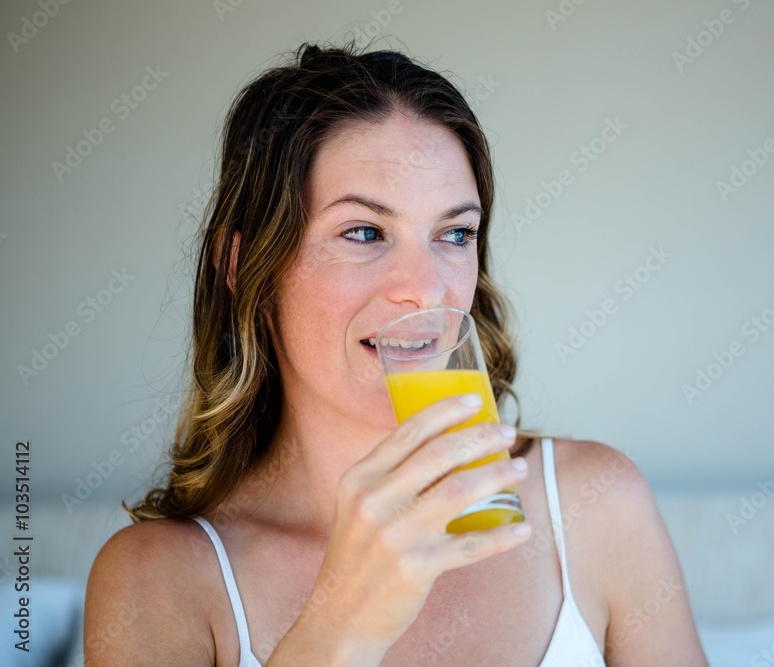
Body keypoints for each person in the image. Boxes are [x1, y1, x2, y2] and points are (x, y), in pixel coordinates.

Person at [84, 40, 708, 666]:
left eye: (455, 234)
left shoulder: (595, 505)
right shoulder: (157, 583)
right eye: (364, 232)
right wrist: (340, 622)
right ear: (244, 267)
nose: (428, 288)